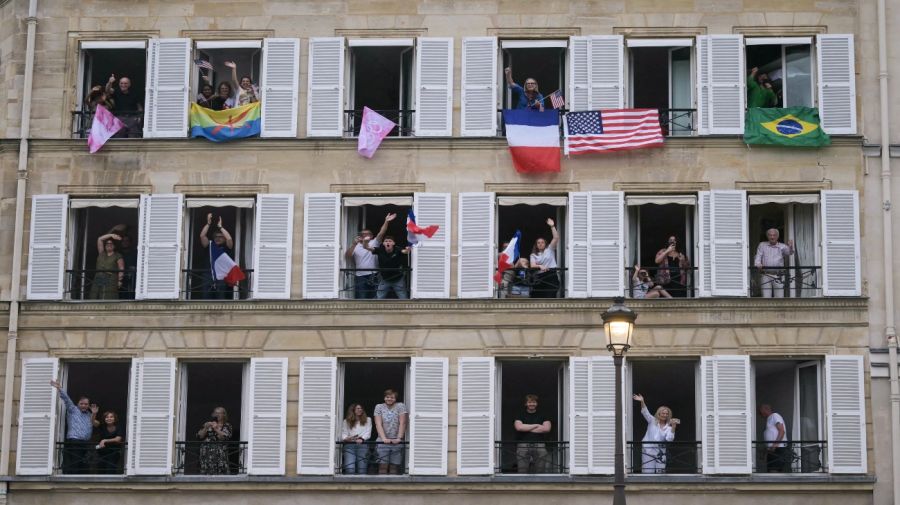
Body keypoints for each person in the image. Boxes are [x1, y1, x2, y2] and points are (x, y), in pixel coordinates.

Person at [49, 379, 99, 474]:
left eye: (86, 404)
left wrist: (94, 414)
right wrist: (59, 388)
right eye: (82, 403)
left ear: (88, 405)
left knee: (85, 465)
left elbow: (96, 424)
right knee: (74, 464)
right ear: (78, 403)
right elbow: (66, 399)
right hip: (74, 441)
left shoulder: (89, 414)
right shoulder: (73, 409)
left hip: (86, 443)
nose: (84, 405)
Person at [345, 214, 395, 299]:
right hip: (360, 276)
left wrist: (386, 221)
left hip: (374, 275)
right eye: (362, 234)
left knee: (375, 298)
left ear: (371, 236)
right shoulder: (355, 246)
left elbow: (381, 233)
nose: (364, 235)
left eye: (367, 234)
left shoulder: (374, 243)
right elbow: (347, 256)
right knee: (361, 298)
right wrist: (354, 244)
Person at [633, 394, 677, 474]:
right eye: (663, 413)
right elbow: (645, 412)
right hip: (648, 450)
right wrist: (642, 401)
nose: (665, 415)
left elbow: (669, 439)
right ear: (659, 414)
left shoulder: (669, 428)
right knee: (647, 472)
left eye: (667, 414)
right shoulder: (652, 421)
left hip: (661, 452)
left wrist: (673, 427)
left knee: (661, 473)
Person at [199, 213, 235, 299]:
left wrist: (220, 227)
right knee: (205, 301)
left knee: (220, 300)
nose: (218, 238)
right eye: (216, 236)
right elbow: (202, 236)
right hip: (208, 275)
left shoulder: (227, 247)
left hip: (221, 276)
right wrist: (208, 224)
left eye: (220, 237)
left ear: (224, 238)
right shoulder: (210, 245)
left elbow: (229, 239)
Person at [514, 394, 551, 473]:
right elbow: (519, 427)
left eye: (534, 402)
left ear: (536, 404)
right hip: (523, 445)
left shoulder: (543, 415)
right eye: (529, 402)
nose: (532, 404)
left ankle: (540, 484)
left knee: (540, 470)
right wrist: (536, 425)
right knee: (522, 470)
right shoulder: (520, 415)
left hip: (540, 444)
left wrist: (526, 428)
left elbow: (547, 429)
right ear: (526, 404)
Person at [374, 389, 408, 474]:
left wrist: (399, 438)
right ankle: (381, 487)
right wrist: (384, 438)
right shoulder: (379, 407)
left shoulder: (400, 406)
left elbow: (403, 423)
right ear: (384, 398)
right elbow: (378, 424)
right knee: (382, 466)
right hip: (382, 440)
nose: (389, 399)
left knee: (394, 466)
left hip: (396, 441)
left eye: (392, 397)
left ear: (395, 399)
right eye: (387, 397)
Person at [754, 228, 795, 298]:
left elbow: (790, 252)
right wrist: (758, 263)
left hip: (778, 276)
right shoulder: (762, 245)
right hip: (766, 275)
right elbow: (758, 256)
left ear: (777, 236)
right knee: (766, 298)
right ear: (767, 236)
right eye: (770, 235)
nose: (772, 237)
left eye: (774, 235)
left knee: (779, 298)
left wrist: (791, 246)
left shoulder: (782, 246)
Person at [198, 406, 233, 475]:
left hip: (220, 453)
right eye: (215, 413)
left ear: (224, 415)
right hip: (206, 453)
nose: (217, 415)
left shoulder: (227, 425)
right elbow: (200, 436)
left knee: (220, 473)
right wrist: (205, 428)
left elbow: (225, 437)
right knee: (206, 472)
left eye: (219, 413)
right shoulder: (208, 424)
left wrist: (216, 429)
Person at [530, 218, 560, 298]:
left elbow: (556, 238)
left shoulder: (549, 249)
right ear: (536, 245)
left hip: (551, 276)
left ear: (545, 244)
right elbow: (532, 265)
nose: (540, 244)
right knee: (536, 298)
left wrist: (552, 226)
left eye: (542, 242)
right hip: (540, 278)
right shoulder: (533, 255)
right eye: (538, 243)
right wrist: (540, 266)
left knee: (550, 297)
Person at [90, 233, 125, 300]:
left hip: (111, 278)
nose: (109, 245)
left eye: (111, 244)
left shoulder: (118, 255)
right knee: (96, 296)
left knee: (108, 297)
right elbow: (100, 239)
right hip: (99, 277)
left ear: (114, 246)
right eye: (107, 244)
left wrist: (120, 280)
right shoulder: (101, 253)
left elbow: (121, 268)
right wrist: (111, 235)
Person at [341, 403, 373, 474]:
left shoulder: (368, 419)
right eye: (358, 408)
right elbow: (344, 433)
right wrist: (346, 438)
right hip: (350, 445)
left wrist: (362, 439)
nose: (360, 410)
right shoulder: (346, 421)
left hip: (363, 445)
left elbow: (368, 433)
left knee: (362, 469)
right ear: (353, 410)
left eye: (361, 408)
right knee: (350, 469)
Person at [759, 404, 790, 472]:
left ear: (766, 409)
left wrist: (775, 445)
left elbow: (781, 431)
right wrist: (766, 452)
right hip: (772, 450)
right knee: (771, 471)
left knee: (774, 471)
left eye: (760, 410)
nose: (759, 413)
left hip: (778, 449)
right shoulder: (769, 420)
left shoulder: (774, 416)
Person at [118, 234, 138, 299]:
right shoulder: (118, 254)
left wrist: (134, 268)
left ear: (130, 242)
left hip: (132, 279)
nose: (125, 243)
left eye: (127, 241)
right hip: (120, 280)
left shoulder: (135, 253)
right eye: (123, 241)